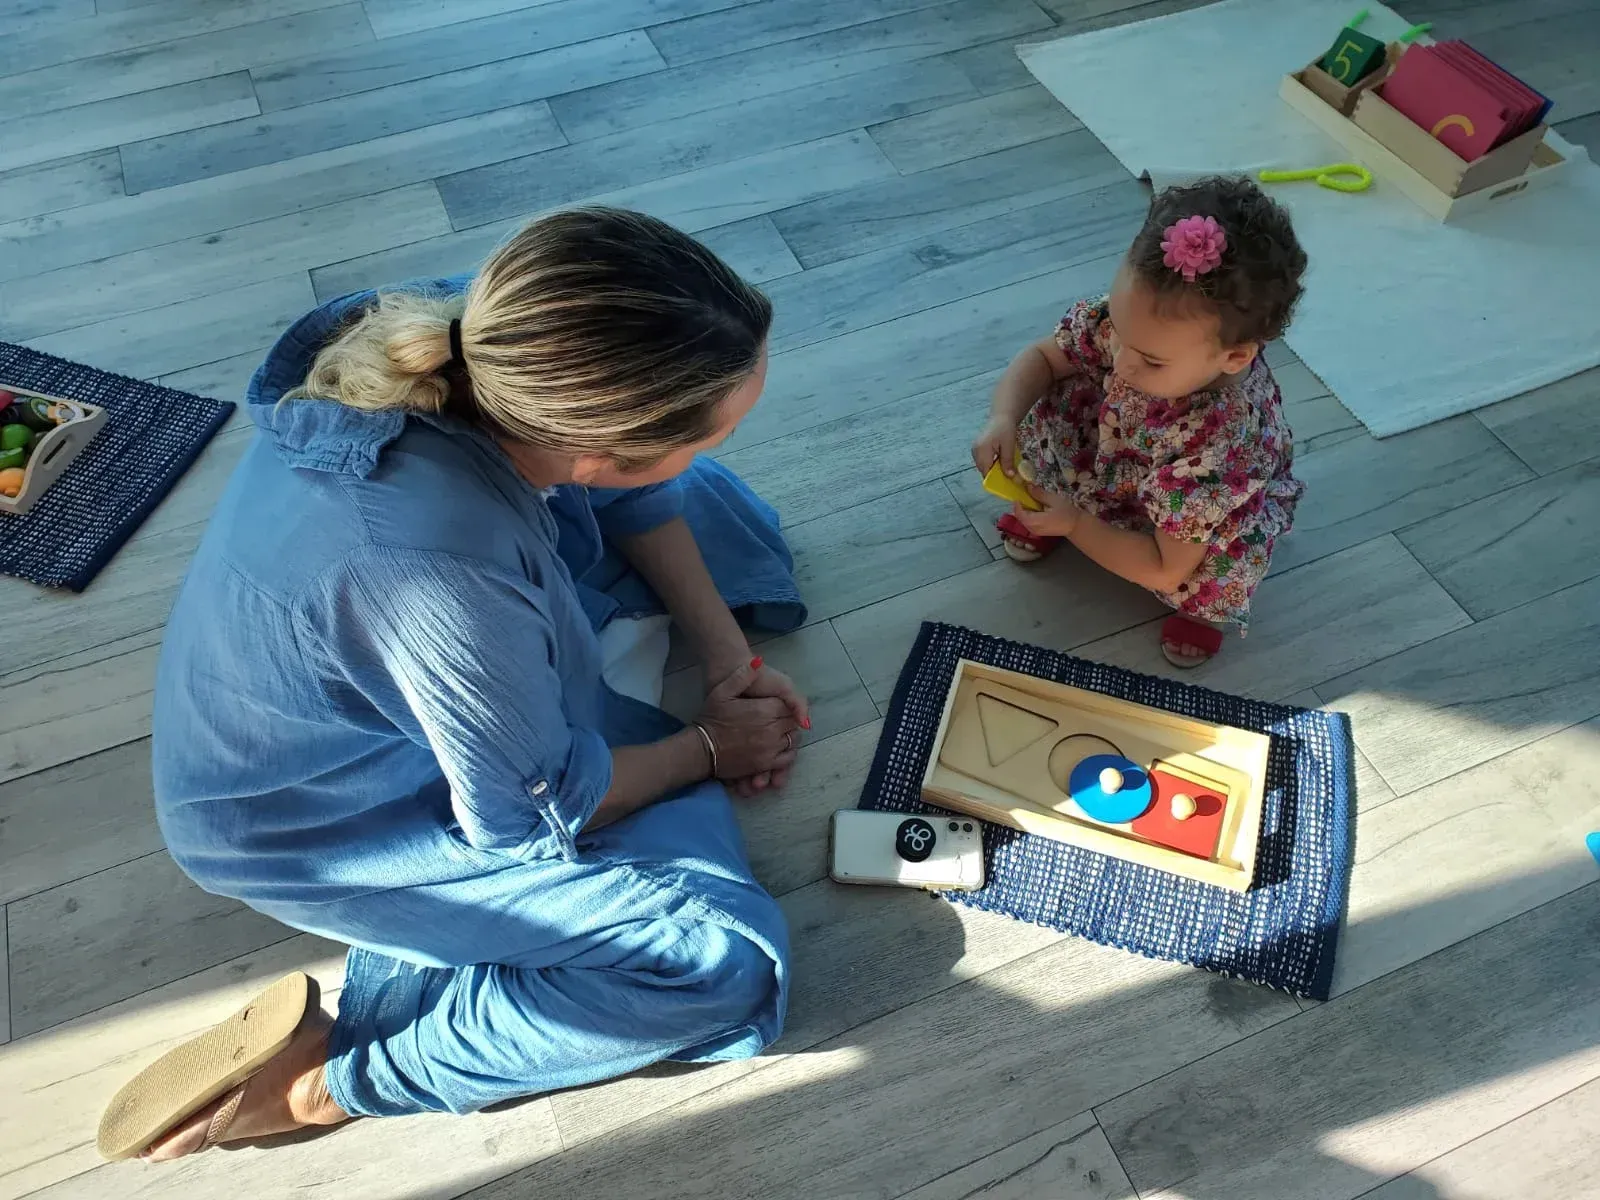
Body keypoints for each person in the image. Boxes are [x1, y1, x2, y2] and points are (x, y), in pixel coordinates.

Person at [97, 207, 811, 1162]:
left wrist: (727, 659)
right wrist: (708, 749)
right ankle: (333, 1081)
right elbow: (535, 811)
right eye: (718, 427)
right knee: (710, 966)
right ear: (595, 449)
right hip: (322, 815)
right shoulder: (438, 572)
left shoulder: (480, 328)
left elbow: (638, 486)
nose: (724, 437)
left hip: (340, 656)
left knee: (717, 510)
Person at [972, 176, 1307, 667]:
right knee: (1061, 397)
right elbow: (1044, 357)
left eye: (1150, 360)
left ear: (1235, 357)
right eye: (1120, 330)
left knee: (1211, 573)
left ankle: (1198, 611)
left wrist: (1075, 525)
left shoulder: (1220, 449)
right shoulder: (1142, 333)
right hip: (1119, 456)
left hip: (1188, 527)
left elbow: (1166, 568)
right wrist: (1003, 416)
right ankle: (1057, 507)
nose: (1123, 363)